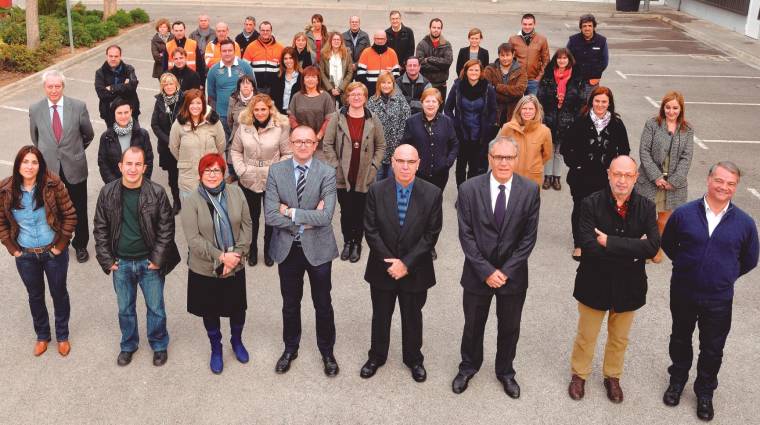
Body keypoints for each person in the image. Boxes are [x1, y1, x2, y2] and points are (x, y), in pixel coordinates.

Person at [661, 162, 759, 422]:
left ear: (735, 187)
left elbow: (749, 259)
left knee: (713, 349)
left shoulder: (745, 223)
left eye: (730, 183)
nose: (723, 187)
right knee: (680, 338)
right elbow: (669, 244)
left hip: (718, 298)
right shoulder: (683, 214)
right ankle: (677, 381)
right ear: (708, 180)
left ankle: (705, 392)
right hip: (683, 291)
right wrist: (687, 267)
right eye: (720, 180)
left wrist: (724, 275)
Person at [451, 136, 540, 397]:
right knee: (473, 325)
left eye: (509, 157)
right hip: (478, 274)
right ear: (490, 158)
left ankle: (505, 371)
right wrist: (487, 271)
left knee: (510, 327)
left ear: (516, 159)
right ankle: (468, 366)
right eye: (498, 157)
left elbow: (528, 238)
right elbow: (465, 235)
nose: (503, 162)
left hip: (513, 276)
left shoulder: (530, 190)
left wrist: (505, 272)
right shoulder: (469, 189)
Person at [567, 155, 660, 404]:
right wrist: (632, 249)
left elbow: (652, 248)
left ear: (636, 178)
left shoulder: (647, 207)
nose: (622, 180)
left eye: (628, 175)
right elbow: (588, 245)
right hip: (594, 281)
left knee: (619, 337)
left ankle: (612, 376)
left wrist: (609, 242)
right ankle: (579, 374)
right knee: (587, 335)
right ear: (608, 174)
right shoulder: (590, 204)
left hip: (629, 286)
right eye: (617, 174)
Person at [360, 144, 443, 382]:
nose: (405, 166)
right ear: (393, 162)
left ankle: (414, 359)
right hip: (382, 267)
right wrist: (391, 263)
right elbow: (371, 230)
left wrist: (406, 264)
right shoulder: (377, 190)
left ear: (418, 164)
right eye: (400, 161)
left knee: (413, 316)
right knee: (381, 315)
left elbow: (431, 234)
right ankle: (376, 356)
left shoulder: (432, 193)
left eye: (410, 162)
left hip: (416, 270)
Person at [93, 146, 181, 368]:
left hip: (148, 263)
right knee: (125, 309)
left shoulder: (157, 192)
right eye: (128, 164)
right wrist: (106, 260)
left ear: (144, 167)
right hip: (120, 264)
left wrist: (158, 260)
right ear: (121, 166)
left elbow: (166, 229)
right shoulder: (107, 193)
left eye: (137, 164)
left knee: (156, 308)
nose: (133, 169)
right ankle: (128, 345)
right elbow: (100, 228)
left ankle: (159, 344)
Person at [264, 125, 340, 377]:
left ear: (315, 145)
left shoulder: (327, 172)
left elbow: (327, 216)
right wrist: (309, 217)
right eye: (298, 141)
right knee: (289, 303)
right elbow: (271, 215)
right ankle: (290, 348)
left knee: (323, 303)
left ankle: (327, 351)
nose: (303, 145)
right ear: (291, 144)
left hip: (318, 249)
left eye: (308, 141)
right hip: (288, 250)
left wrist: (292, 212)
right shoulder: (276, 171)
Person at [0, 146, 76, 357]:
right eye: (25, 162)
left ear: (40, 165)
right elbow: (1, 223)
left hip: (52, 251)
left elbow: (70, 215)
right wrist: (13, 250)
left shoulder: (53, 185)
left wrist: (60, 247)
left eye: (34, 162)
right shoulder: (6, 189)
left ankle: (62, 335)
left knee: (59, 293)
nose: (29, 166)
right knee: (35, 296)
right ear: (18, 165)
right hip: (25, 255)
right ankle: (42, 335)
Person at [181, 153, 252, 374]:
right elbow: (193, 239)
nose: (212, 175)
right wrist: (222, 257)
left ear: (224, 173)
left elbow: (247, 225)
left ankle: (237, 341)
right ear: (200, 174)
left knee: (237, 308)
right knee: (210, 310)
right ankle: (216, 347)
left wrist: (236, 256)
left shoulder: (236, 192)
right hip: (205, 268)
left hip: (235, 264)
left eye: (217, 170)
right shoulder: (191, 200)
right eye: (207, 170)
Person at [30, 70, 94, 263]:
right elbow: (36, 138)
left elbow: (88, 134)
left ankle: (81, 244)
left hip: (74, 166)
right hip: (49, 167)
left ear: (63, 87)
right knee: (53, 207)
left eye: (58, 86)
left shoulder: (78, 106)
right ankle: (60, 242)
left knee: (78, 207)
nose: (54, 90)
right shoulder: (35, 109)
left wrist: (74, 150)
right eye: (50, 86)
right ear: (44, 88)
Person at [562, 86, 629, 261]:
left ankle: (601, 241)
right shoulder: (581, 121)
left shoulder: (616, 124)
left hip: (605, 177)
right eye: (597, 101)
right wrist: (575, 164)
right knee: (581, 208)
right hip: (581, 176)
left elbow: (624, 150)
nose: (600, 105)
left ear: (609, 104)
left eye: (604, 102)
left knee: (605, 210)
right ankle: (579, 244)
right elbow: (565, 147)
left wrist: (615, 169)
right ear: (591, 101)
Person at [323, 82, 386, 263]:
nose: (356, 97)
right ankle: (347, 242)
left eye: (360, 94)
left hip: (364, 174)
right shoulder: (337, 117)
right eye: (353, 94)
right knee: (346, 211)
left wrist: (374, 167)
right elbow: (327, 144)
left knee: (360, 212)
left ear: (365, 98)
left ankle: (357, 243)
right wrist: (335, 166)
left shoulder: (373, 119)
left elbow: (381, 145)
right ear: (347, 97)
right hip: (343, 174)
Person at [230, 93, 292, 267]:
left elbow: (287, 153)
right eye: (256, 109)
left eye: (263, 109)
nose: (260, 112)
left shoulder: (280, 127)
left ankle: (269, 250)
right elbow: (235, 150)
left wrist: (277, 172)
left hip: (272, 178)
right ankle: (252, 249)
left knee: (271, 218)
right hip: (249, 178)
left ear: (270, 109)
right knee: (251, 217)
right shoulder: (244, 126)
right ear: (251, 110)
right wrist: (241, 170)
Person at [635, 91, 694, 263]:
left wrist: (674, 181)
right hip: (650, 180)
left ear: (681, 109)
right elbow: (644, 151)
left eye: (675, 108)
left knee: (663, 220)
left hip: (672, 184)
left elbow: (687, 157)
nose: (671, 111)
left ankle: (656, 247)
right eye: (668, 107)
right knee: (645, 217)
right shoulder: (652, 124)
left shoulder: (687, 130)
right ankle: (643, 247)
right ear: (663, 108)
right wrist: (656, 177)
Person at [444, 59, 498, 188]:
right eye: (471, 69)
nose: (473, 72)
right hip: (461, 134)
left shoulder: (488, 88)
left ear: (481, 72)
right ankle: (462, 193)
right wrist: (454, 124)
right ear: (466, 71)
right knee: (461, 166)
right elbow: (447, 108)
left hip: (479, 135)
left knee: (475, 167)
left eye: (476, 70)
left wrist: (488, 127)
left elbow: (493, 110)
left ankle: (470, 194)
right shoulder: (458, 86)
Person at [537, 48, 584, 191]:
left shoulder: (576, 78)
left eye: (565, 58)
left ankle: (556, 178)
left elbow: (581, 100)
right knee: (548, 150)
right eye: (559, 58)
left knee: (559, 151)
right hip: (549, 119)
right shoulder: (548, 76)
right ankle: (547, 177)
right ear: (555, 60)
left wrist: (574, 119)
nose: (562, 60)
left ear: (569, 60)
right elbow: (540, 97)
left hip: (566, 121)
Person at [169, 89, 227, 196]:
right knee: (189, 211)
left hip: (211, 177)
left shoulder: (214, 123)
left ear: (204, 105)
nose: (195, 106)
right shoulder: (178, 123)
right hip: (188, 179)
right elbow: (174, 147)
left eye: (198, 103)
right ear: (186, 105)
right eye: (191, 103)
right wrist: (187, 161)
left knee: (211, 211)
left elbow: (221, 146)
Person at [401, 87, 459, 191]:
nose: (430, 104)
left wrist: (448, 162)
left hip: (440, 174)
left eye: (434, 101)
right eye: (427, 101)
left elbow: (454, 144)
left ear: (439, 104)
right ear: (422, 103)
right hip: (418, 173)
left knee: (436, 203)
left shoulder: (447, 122)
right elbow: (405, 145)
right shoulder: (411, 122)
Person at [205, 39, 255, 141]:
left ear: (234, 51)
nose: (227, 53)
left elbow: (253, 87)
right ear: (220, 52)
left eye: (230, 50)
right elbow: (211, 93)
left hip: (242, 114)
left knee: (242, 145)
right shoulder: (213, 70)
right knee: (224, 145)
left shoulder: (245, 67)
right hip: (222, 115)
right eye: (224, 51)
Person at [498, 95, 552, 186]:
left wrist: (533, 165)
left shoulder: (545, 131)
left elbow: (546, 155)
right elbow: (499, 151)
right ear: (519, 110)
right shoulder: (507, 128)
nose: (527, 111)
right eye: (524, 108)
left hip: (532, 178)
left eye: (531, 109)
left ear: (536, 111)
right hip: (510, 177)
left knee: (530, 200)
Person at [97, 98, 154, 184]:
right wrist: (115, 185)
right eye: (119, 113)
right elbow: (103, 164)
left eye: (126, 112)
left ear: (131, 111)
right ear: (114, 114)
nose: (123, 116)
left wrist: (141, 182)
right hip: (115, 185)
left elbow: (148, 161)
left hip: (139, 184)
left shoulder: (142, 134)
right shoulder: (106, 137)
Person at [366, 72, 411, 181]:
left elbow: (406, 120)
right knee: (377, 183)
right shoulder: (372, 101)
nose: (386, 85)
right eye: (383, 83)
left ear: (393, 84)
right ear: (379, 84)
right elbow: (367, 124)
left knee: (392, 182)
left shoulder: (400, 100)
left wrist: (400, 141)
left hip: (395, 149)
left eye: (389, 83)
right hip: (377, 150)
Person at [151, 73, 184, 214]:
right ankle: (177, 201)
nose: (169, 86)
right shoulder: (159, 101)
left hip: (184, 145)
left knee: (188, 175)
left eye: (171, 83)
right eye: (166, 84)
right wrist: (168, 140)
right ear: (162, 86)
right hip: (167, 147)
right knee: (173, 177)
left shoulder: (184, 99)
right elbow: (155, 124)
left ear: (176, 84)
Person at [287, 66, 335, 160]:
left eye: (313, 77)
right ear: (303, 80)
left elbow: (329, 119)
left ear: (318, 80)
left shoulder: (326, 97)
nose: (310, 80)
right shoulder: (297, 97)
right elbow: (291, 118)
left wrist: (317, 137)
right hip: (300, 142)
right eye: (307, 77)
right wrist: (302, 135)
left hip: (319, 144)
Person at [94, 45, 140, 128]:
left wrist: (112, 88)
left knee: (135, 138)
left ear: (120, 56)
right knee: (113, 140)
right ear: (106, 56)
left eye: (116, 56)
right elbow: (102, 94)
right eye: (110, 56)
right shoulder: (100, 73)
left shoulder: (129, 69)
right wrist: (125, 87)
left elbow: (133, 86)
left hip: (131, 112)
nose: (113, 59)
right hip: (109, 114)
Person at [567, 14, 609, 102]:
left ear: (594, 27)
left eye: (590, 26)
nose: (587, 28)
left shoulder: (601, 41)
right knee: (574, 106)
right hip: (575, 82)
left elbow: (604, 62)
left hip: (592, 82)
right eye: (584, 26)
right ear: (581, 28)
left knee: (590, 106)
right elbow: (566, 58)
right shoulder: (573, 40)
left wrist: (596, 76)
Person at [484, 42, 527, 127]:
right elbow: (487, 90)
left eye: (508, 55)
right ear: (498, 55)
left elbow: (520, 90)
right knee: (492, 139)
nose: (505, 58)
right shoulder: (490, 69)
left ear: (513, 55)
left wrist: (497, 87)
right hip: (494, 111)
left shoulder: (521, 70)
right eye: (502, 55)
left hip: (513, 112)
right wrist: (510, 94)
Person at [508, 14, 550, 96]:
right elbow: (508, 59)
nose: (527, 27)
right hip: (518, 80)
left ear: (534, 24)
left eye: (530, 24)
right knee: (517, 106)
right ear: (521, 24)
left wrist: (539, 78)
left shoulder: (542, 39)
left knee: (531, 106)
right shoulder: (513, 39)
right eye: (525, 24)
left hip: (533, 81)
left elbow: (546, 60)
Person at [242, 21, 283, 95]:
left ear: (271, 31)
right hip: (256, 89)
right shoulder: (251, 47)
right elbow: (244, 68)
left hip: (274, 88)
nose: (265, 32)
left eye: (267, 30)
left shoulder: (280, 48)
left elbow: (283, 69)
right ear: (259, 31)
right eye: (263, 30)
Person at [416, 18, 453, 100]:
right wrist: (440, 67)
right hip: (425, 84)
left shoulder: (446, 45)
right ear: (430, 28)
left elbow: (447, 62)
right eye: (434, 27)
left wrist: (429, 59)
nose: (436, 30)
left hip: (441, 85)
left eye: (438, 28)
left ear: (441, 29)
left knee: (440, 110)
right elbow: (420, 64)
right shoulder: (422, 44)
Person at [356, 31, 400, 95]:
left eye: (382, 39)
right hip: (370, 89)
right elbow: (360, 74)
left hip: (387, 90)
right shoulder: (366, 52)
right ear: (374, 39)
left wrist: (389, 88)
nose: (380, 41)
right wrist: (368, 88)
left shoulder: (392, 53)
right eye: (377, 38)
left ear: (386, 39)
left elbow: (396, 74)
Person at [319, 31, 353, 104]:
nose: (336, 41)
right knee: (330, 112)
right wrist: (330, 88)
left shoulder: (347, 54)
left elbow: (350, 73)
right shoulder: (324, 54)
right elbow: (322, 73)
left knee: (344, 110)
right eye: (334, 39)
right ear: (330, 41)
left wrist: (340, 88)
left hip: (343, 87)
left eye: (338, 40)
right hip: (328, 88)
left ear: (341, 41)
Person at [270, 47, 303, 114]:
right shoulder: (277, 76)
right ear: (282, 61)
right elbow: (272, 97)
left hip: (296, 114)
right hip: (279, 113)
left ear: (295, 59)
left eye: (291, 58)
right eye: (285, 59)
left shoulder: (302, 77)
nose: (288, 61)